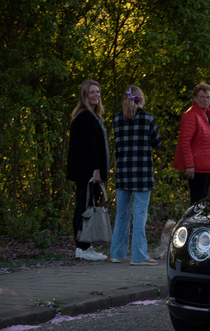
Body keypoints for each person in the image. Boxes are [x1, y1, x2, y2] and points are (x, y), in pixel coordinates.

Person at [109, 86, 162, 266]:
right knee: (140, 214)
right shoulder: (148, 118)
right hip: (142, 173)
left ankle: (117, 253)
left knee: (121, 214)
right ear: (142, 99)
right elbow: (157, 142)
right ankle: (139, 256)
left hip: (123, 173)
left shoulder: (116, 119)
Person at [66, 79, 109, 261]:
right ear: (84, 95)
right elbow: (90, 147)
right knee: (84, 208)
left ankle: (85, 246)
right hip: (88, 172)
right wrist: (96, 170)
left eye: (98, 92)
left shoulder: (92, 116)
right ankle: (82, 248)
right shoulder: (85, 117)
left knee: (86, 207)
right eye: (92, 92)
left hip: (89, 171)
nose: (96, 95)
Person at [172, 83, 210, 204]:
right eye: (202, 97)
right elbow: (184, 142)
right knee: (197, 202)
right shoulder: (191, 115)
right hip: (197, 167)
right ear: (195, 98)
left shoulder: (205, 115)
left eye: (208, 97)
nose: (205, 100)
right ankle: (193, 223)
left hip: (206, 165)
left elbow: (202, 139)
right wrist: (189, 165)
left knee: (203, 201)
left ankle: (199, 223)